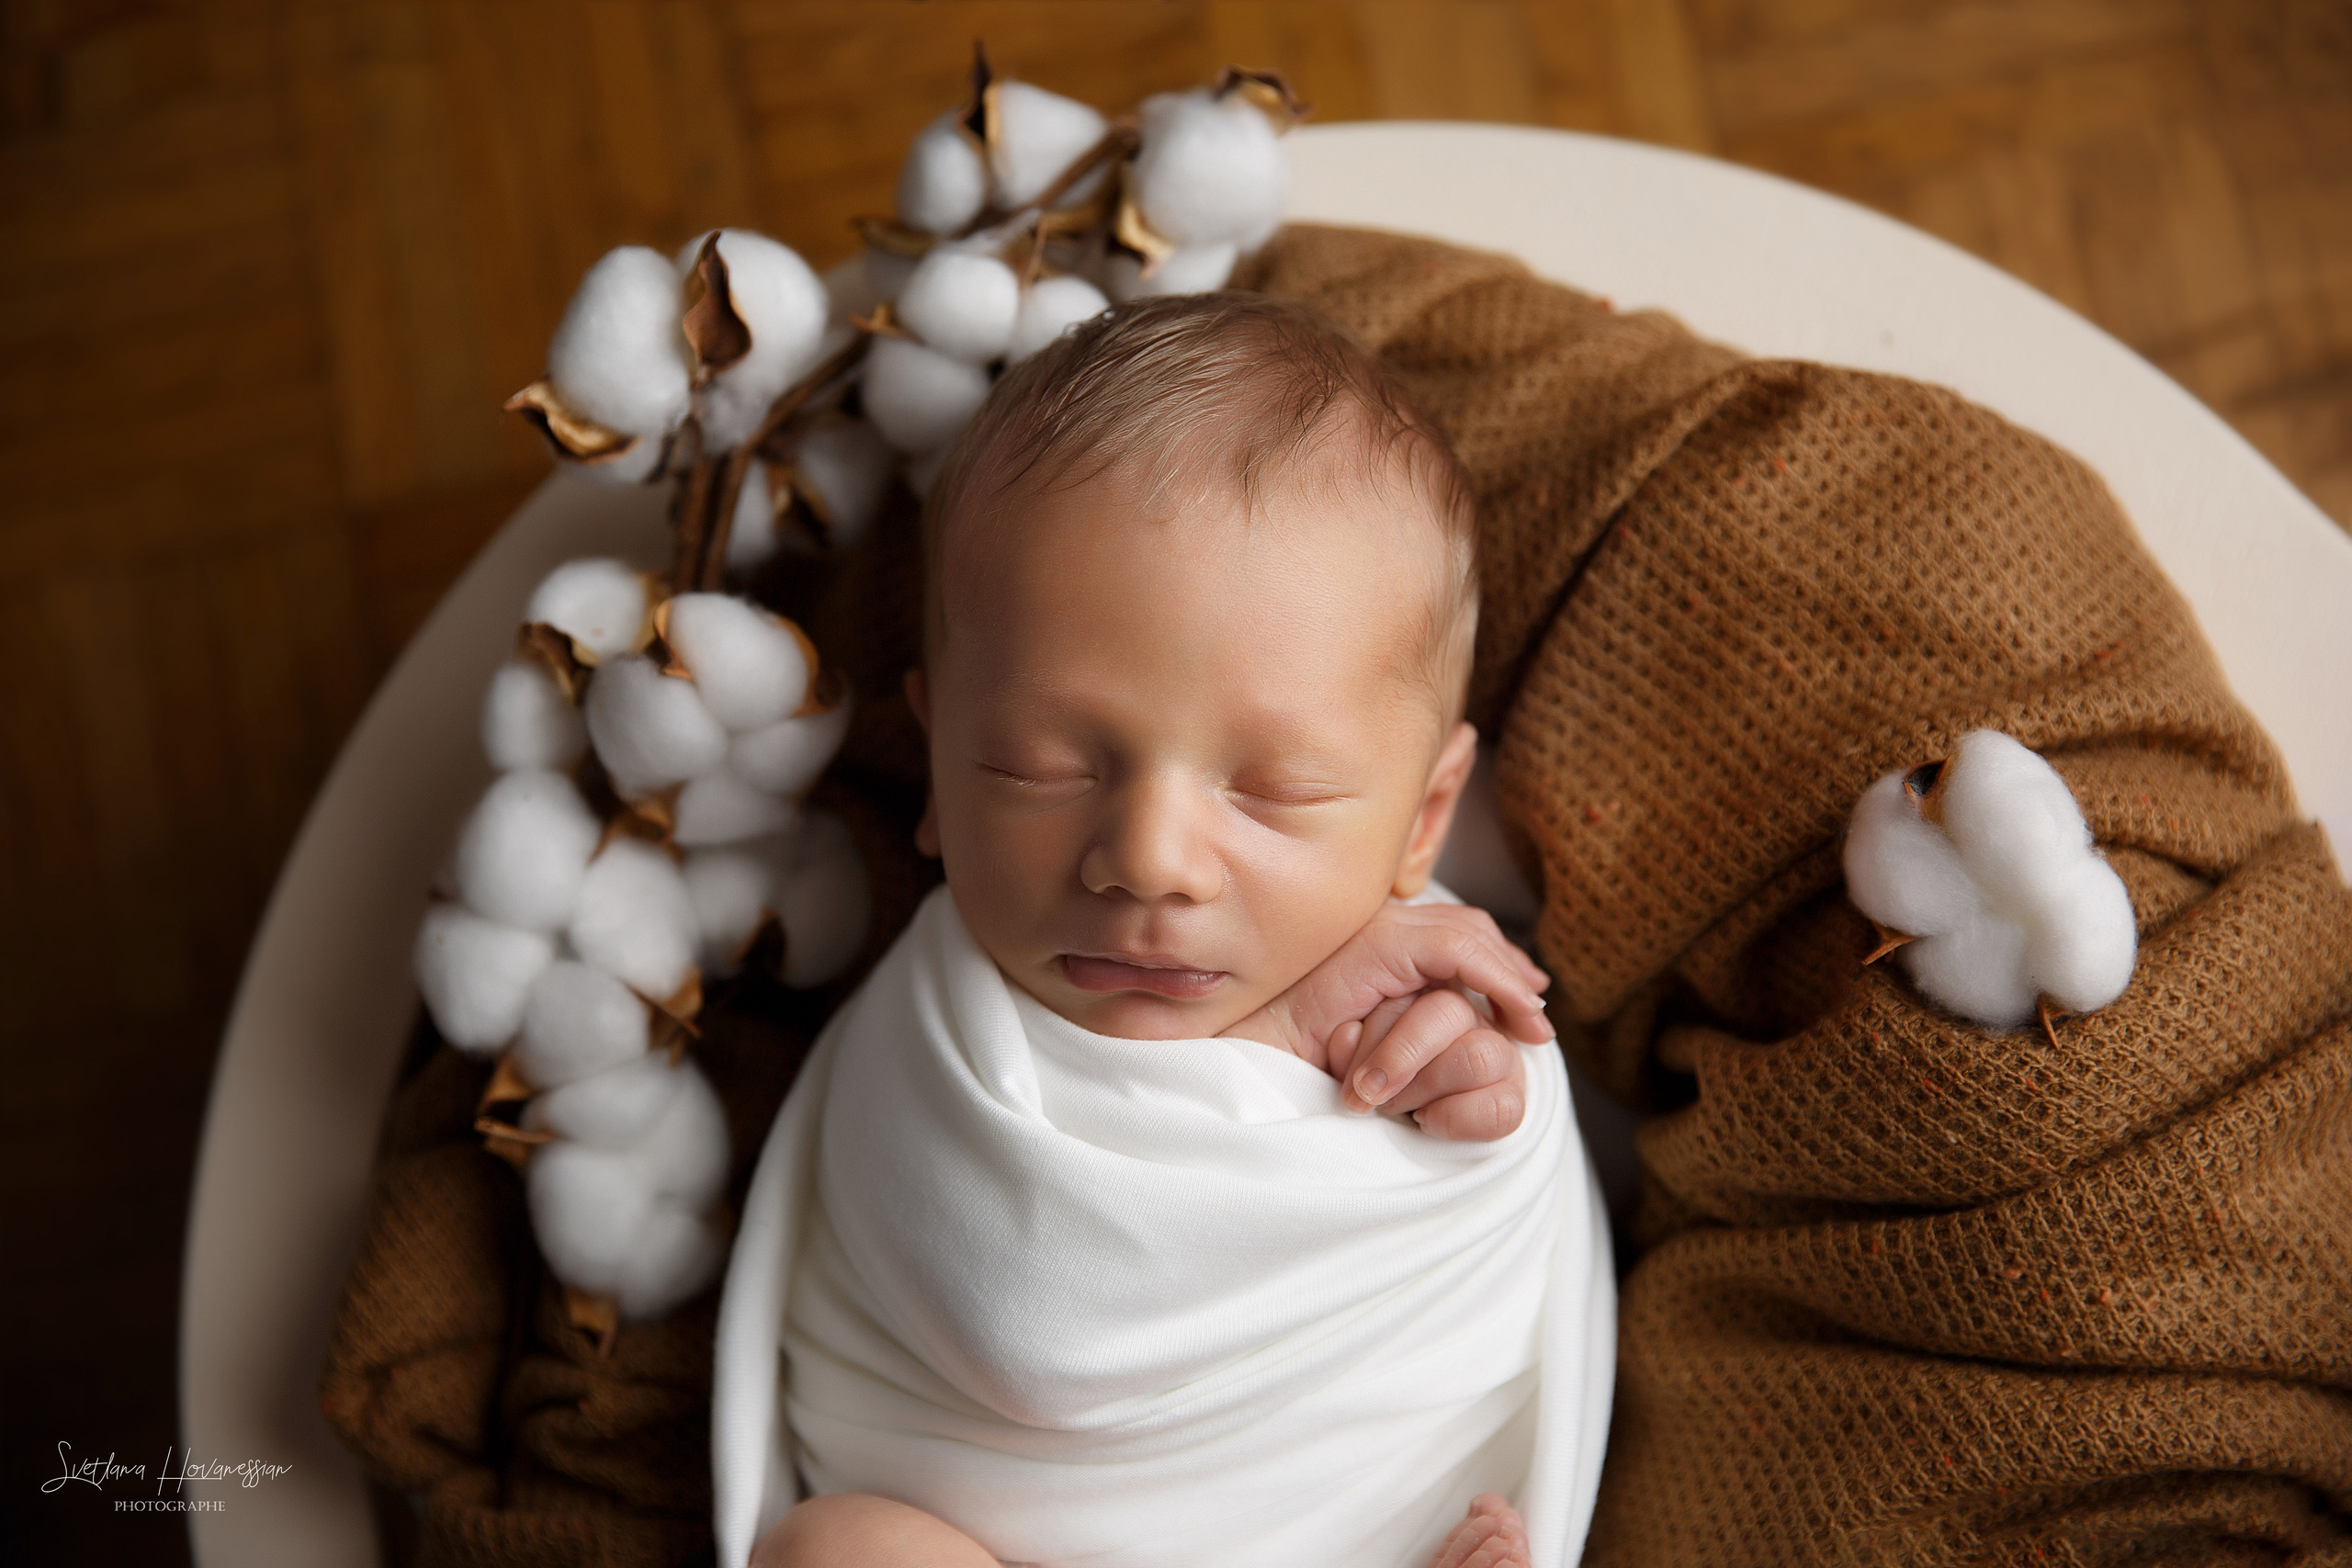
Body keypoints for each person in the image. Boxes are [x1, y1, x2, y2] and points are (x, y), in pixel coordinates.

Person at [728, 293, 1611, 1568]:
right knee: (837, 1552)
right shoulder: (935, 1029)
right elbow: (1025, 1317)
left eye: (1275, 791)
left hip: (1342, 1534)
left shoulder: (1424, 989)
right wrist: (1281, 1025)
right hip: (968, 1536)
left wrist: (1493, 1106)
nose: (1148, 858)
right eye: (1038, 766)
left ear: (1422, 819)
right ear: (933, 767)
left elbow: (1497, 1219)